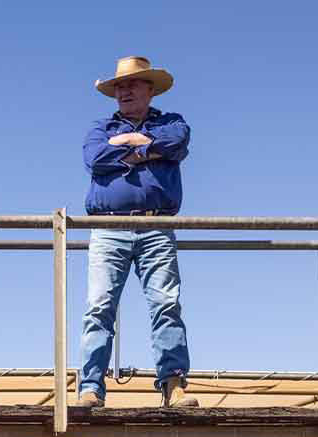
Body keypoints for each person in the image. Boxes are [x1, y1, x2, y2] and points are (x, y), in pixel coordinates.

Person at [77, 55, 194, 408]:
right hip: (108, 227)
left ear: (150, 90)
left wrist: (129, 146)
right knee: (99, 307)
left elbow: (176, 143)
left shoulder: (171, 122)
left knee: (166, 303)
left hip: (156, 225)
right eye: (119, 87)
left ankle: (173, 384)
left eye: (131, 84)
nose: (124, 91)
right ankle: (91, 386)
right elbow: (94, 159)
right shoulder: (100, 129)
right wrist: (146, 149)